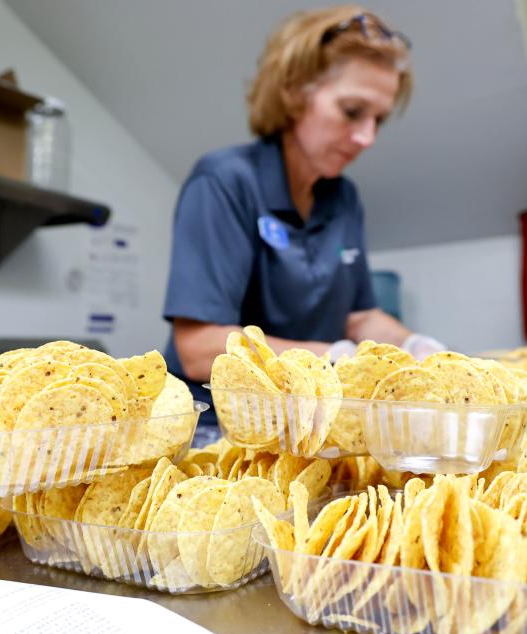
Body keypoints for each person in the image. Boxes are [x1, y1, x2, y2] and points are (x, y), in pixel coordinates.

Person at [162, 5, 445, 443]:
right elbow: (199, 349)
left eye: (378, 120)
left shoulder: (343, 197)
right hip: (214, 427)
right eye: (352, 111)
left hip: (304, 425)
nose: (367, 137)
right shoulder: (225, 181)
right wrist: (329, 357)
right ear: (295, 92)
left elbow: (361, 316)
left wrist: (419, 349)